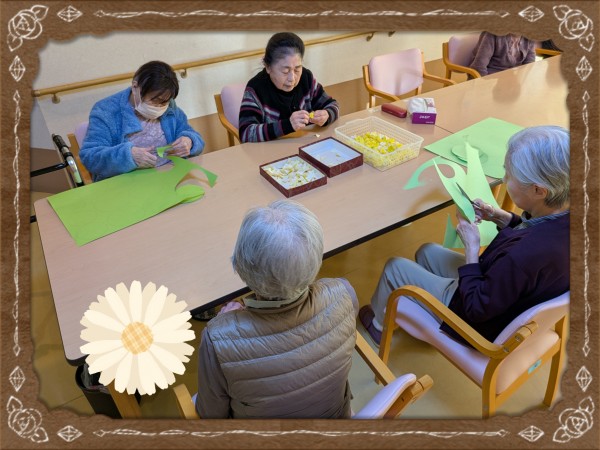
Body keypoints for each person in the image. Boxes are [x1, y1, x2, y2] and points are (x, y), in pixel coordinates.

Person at [360, 125, 569, 346]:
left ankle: (378, 327)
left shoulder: (522, 257)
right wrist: (501, 217)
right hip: (501, 295)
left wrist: (471, 247)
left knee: (394, 267)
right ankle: (423, 309)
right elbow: (530, 232)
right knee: (427, 251)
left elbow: (476, 307)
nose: (504, 178)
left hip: (475, 319)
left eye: (509, 176)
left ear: (539, 190)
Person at [196, 200, 358, 418]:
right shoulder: (344, 293)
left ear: (240, 265)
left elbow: (211, 414)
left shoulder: (216, 339)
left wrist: (225, 329)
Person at [80, 60, 205, 181]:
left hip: (170, 174)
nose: (159, 107)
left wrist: (189, 141)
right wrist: (128, 156)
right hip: (126, 182)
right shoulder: (106, 111)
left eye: (164, 102)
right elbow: (90, 157)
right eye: (154, 100)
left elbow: (192, 135)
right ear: (135, 87)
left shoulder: (169, 105)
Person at [239, 32, 340, 143]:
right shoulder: (255, 89)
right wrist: (288, 125)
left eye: (297, 69)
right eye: (285, 71)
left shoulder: (306, 78)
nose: (292, 78)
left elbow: (333, 105)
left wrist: (327, 115)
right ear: (268, 67)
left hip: (306, 144)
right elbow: (246, 134)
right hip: (271, 150)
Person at [469, 32, 536, 77]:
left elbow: (529, 64)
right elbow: (479, 67)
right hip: (490, 77)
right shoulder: (492, 34)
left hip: (511, 78)